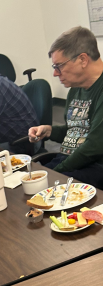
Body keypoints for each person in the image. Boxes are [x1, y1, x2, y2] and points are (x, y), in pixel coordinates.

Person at [29, 27, 103, 188]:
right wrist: (49, 131)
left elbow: (94, 147)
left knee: (39, 189)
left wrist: (56, 171)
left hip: (95, 167)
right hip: (72, 161)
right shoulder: (76, 88)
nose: (55, 74)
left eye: (59, 66)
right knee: (27, 183)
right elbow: (75, 131)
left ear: (83, 60)